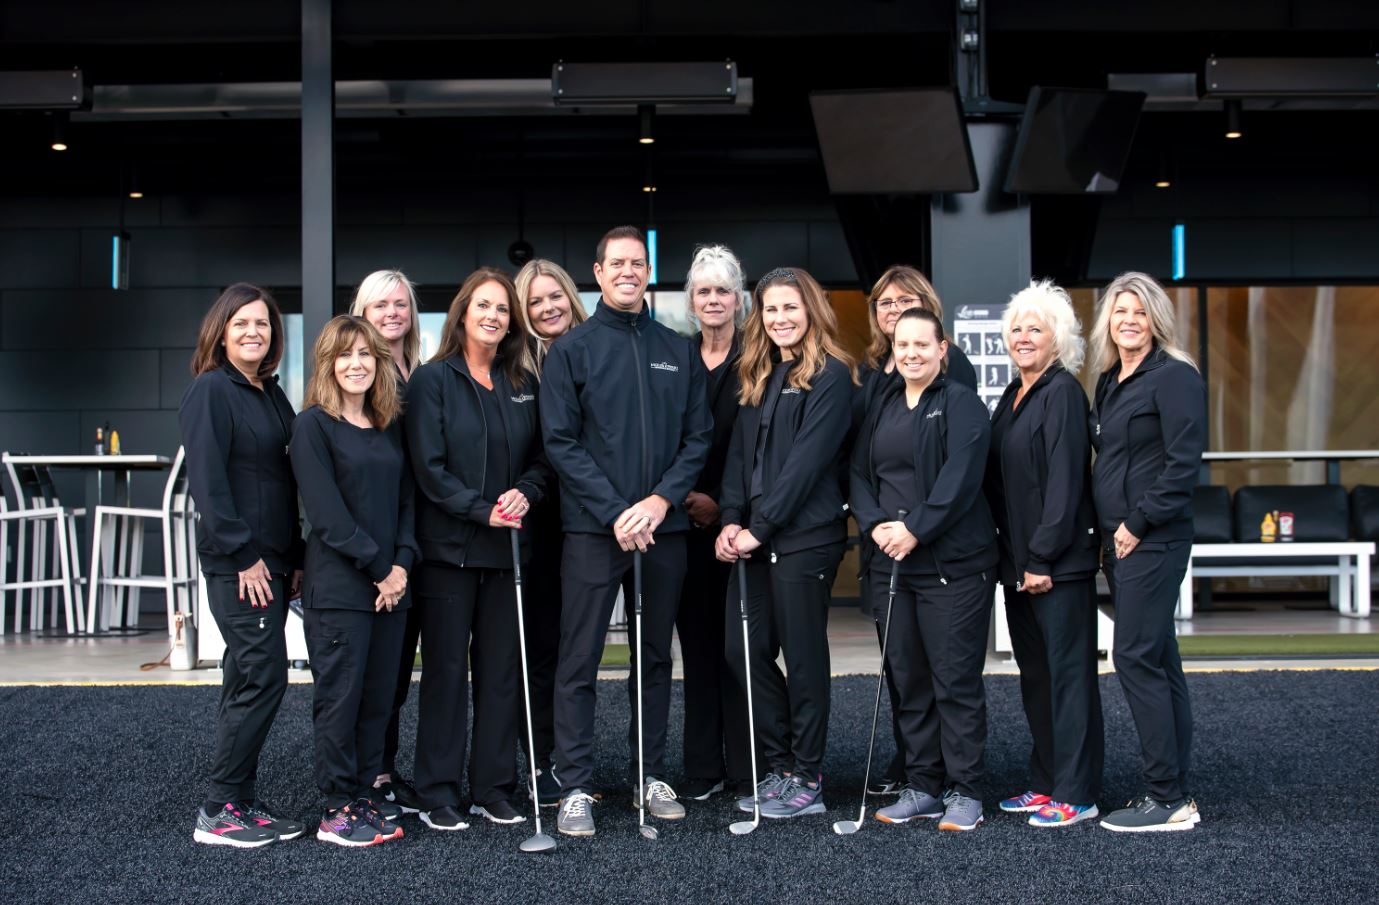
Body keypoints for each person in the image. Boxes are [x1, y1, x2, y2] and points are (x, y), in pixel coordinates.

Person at [539, 225, 711, 837]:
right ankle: (576, 785)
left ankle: (648, 775)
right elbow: (560, 442)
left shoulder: (677, 348)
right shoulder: (572, 351)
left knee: (655, 659)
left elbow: (698, 439)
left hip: (661, 533)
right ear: (598, 270)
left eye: (637, 263)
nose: (628, 272)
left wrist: (662, 502)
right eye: (617, 263)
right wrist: (616, 511)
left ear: (648, 272)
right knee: (579, 659)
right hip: (593, 531)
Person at [405, 267, 547, 831]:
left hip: (508, 550)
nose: (494, 316)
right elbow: (429, 470)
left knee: (501, 673)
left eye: (503, 309)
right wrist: (480, 508)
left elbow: (542, 459)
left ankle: (494, 786)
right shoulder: (432, 380)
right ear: (463, 312)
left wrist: (527, 493)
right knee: (444, 673)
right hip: (448, 554)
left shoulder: (521, 382)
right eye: (484, 306)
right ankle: (438, 791)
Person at [716, 266, 856, 819]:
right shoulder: (758, 372)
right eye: (770, 309)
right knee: (741, 651)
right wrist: (730, 518)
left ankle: (808, 775)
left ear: (812, 309)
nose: (779, 319)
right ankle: (777, 766)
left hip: (804, 540)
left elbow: (805, 466)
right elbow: (737, 459)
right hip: (751, 538)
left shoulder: (832, 377)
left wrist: (759, 527)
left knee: (802, 658)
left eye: (790, 308)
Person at [850, 307, 998, 832]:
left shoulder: (962, 405)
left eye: (921, 345)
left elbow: (959, 481)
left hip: (952, 567)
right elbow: (859, 474)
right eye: (901, 346)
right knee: (908, 681)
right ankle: (923, 786)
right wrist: (875, 527)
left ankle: (965, 790)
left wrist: (914, 528)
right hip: (895, 564)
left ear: (943, 349)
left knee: (954, 682)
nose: (910, 353)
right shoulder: (884, 403)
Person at [180, 283, 305, 848]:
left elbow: (281, 482)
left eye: (263, 324)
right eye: (242, 324)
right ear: (221, 331)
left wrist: (294, 556)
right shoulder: (213, 390)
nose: (255, 332)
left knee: (244, 676)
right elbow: (208, 485)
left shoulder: (270, 394)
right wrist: (246, 555)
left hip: (275, 562)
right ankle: (219, 809)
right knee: (264, 674)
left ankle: (240, 801)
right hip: (242, 565)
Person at [291, 315, 418, 846]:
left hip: (392, 591)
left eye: (366, 354)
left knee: (380, 698)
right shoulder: (312, 427)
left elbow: (409, 503)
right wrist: (380, 568)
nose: (356, 364)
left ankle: (367, 793)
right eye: (345, 354)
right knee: (341, 698)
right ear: (328, 363)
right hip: (342, 591)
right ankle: (337, 808)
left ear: (379, 362)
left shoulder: (389, 425)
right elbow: (328, 516)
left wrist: (403, 565)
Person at [983, 281, 1104, 828]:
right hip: (1018, 567)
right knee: (1037, 677)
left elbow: (1064, 485)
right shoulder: (1012, 396)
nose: (1023, 336)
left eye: (1036, 327)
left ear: (1059, 339)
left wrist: (1041, 558)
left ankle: (1077, 793)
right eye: (1017, 327)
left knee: (1069, 677)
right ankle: (1047, 781)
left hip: (1056, 567)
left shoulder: (1062, 393)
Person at [1088, 272, 1206, 833]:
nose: (1128, 320)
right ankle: (1176, 789)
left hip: (1151, 539)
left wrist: (1135, 523)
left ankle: (1166, 798)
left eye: (1139, 311)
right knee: (1158, 657)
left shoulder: (1175, 377)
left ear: (1156, 319)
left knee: (1133, 657)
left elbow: (1184, 465)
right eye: (1119, 312)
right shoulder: (1110, 379)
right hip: (1121, 542)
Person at [511, 258, 589, 806]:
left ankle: (575, 761)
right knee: (538, 651)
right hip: (533, 522)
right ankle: (544, 765)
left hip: (589, 520)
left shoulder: (595, 350)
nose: (547, 308)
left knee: (577, 653)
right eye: (535, 301)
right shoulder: (513, 367)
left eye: (555, 296)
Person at [676, 245, 753, 801]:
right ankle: (702, 769)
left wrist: (725, 509)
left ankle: (749, 767)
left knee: (738, 650)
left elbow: (758, 449)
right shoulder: (676, 357)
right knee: (696, 648)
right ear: (691, 300)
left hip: (738, 528)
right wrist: (685, 498)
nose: (712, 300)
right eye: (703, 291)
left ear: (738, 299)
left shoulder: (758, 358)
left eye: (722, 290)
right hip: (681, 525)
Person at [350, 269, 425, 815]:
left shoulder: (419, 371)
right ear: (363, 310)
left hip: (419, 538)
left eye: (400, 303)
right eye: (381, 305)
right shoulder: (360, 372)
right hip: (375, 545)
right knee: (372, 670)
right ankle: (362, 777)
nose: (392, 313)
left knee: (397, 668)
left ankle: (382, 768)